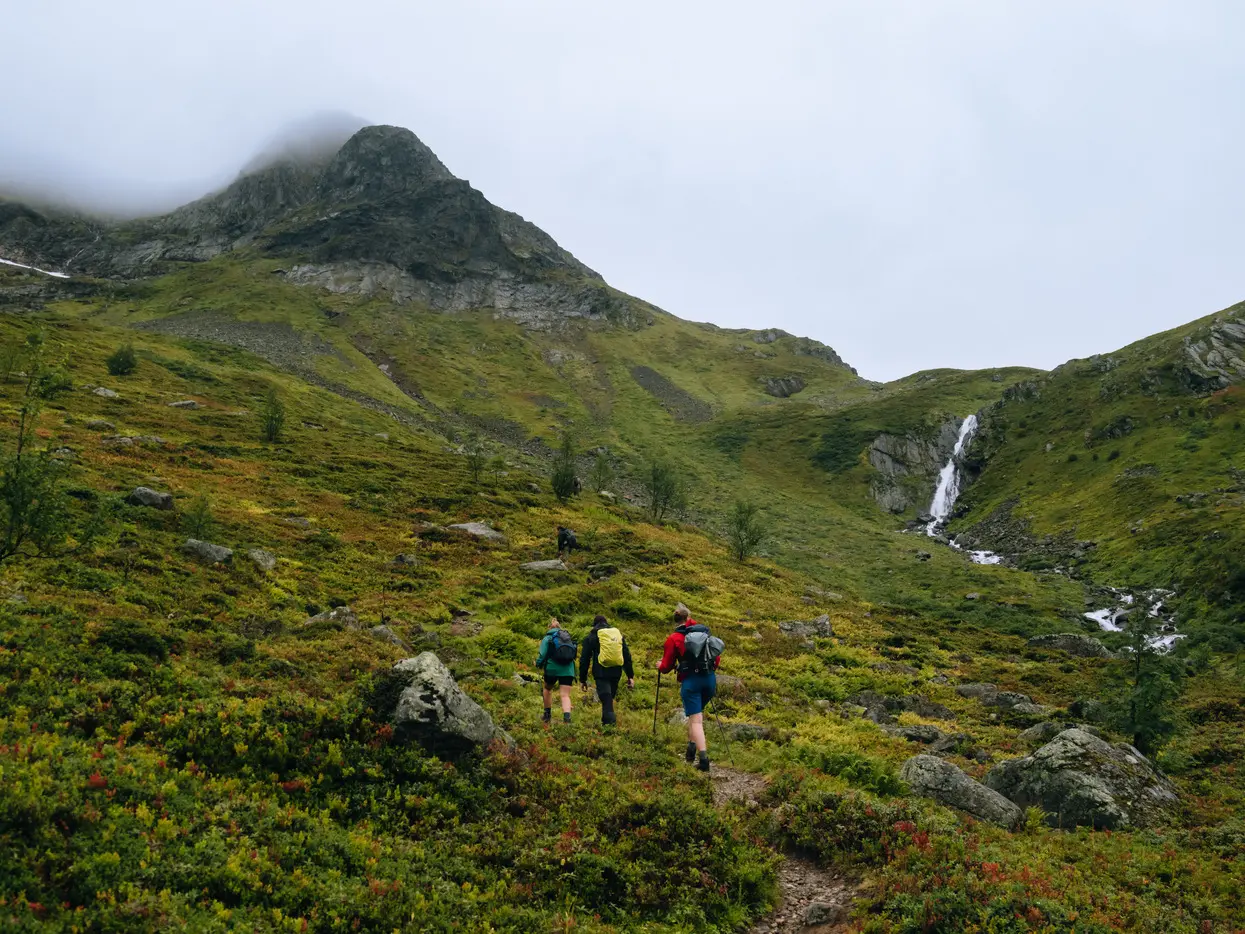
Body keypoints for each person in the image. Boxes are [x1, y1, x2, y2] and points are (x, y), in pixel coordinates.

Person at [657, 605, 721, 772]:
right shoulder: (703, 634)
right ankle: (691, 749)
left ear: (675, 621)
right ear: (689, 617)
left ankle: (704, 758)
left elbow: (666, 666)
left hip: (691, 682)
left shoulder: (674, 638)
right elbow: (716, 658)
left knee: (696, 719)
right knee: (695, 717)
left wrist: (660, 665)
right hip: (709, 680)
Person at [579, 614, 634, 726]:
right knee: (608, 698)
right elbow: (626, 655)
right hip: (616, 671)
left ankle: (610, 725)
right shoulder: (616, 636)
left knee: (606, 698)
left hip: (601, 672)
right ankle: (606, 725)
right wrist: (630, 676)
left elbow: (584, 659)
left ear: (594, 624)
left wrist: (582, 679)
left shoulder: (592, 636)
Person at [535, 617, 576, 724]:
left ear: (549, 627)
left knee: (547, 689)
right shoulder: (567, 638)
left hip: (552, 669)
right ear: (559, 628)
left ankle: (547, 715)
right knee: (565, 695)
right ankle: (567, 719)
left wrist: (538, 664)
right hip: (568, 669)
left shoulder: (547, 638)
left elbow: (542, 655)